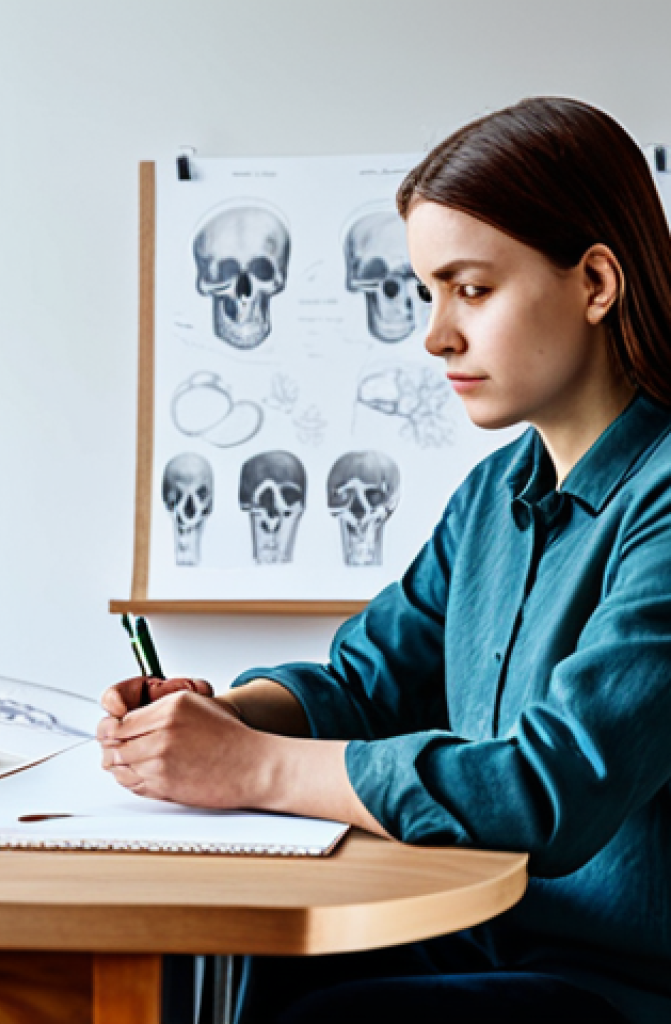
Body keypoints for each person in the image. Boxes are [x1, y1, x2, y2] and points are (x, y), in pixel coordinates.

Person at [97, 97, 671, 1024]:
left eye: (471, 290)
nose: (436, 335)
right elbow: (367, 678)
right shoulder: (494, 495)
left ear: (596, 282)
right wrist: (218, 717)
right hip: (493, 932)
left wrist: (252, 768)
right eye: (426, 293)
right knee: (250, 958)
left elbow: (551, 786)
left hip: (622, 986)